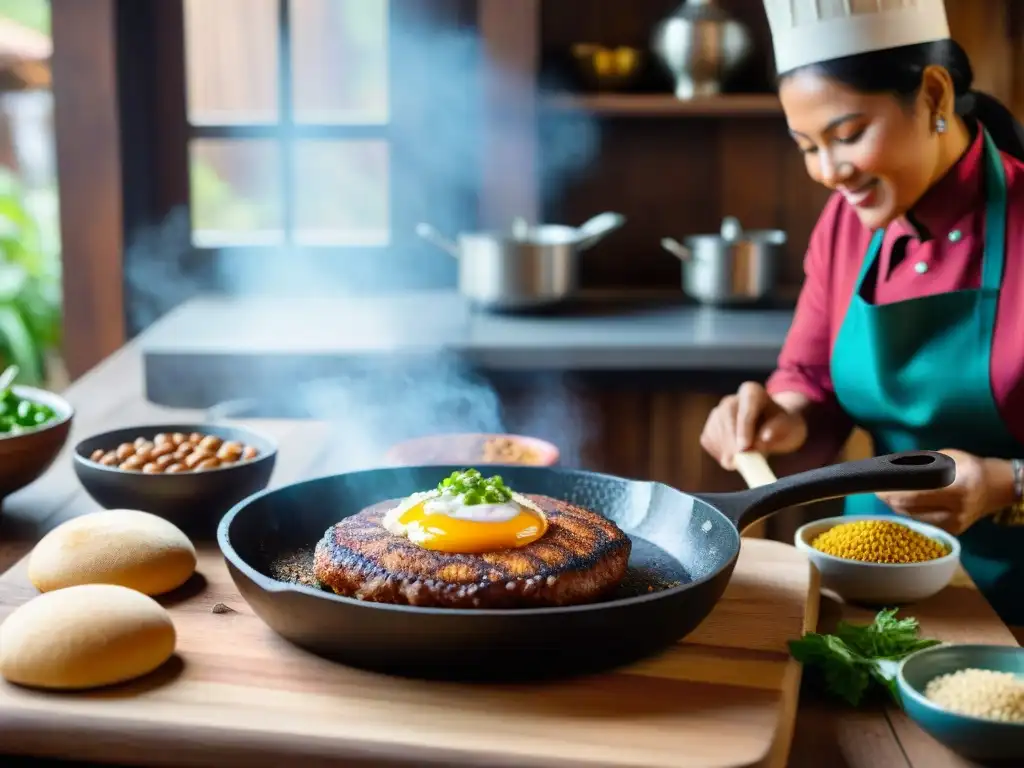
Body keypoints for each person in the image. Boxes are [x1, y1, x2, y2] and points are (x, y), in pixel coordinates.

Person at [700, 0, 1024, 625]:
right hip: (866, 582)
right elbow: (811, 378)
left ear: (933, 95)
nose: (827, 171)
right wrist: (781, 416)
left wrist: (1005, 483)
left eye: (847, 136)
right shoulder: (846, 226)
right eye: (806, 146)